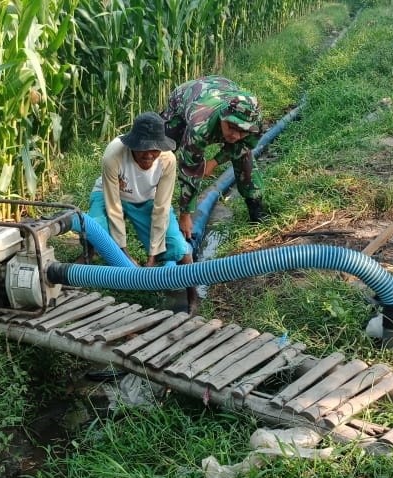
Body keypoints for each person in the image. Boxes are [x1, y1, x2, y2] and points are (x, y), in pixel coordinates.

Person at [82, 111, 198, 310]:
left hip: (147, 198)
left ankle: (193, 297)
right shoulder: (114, 155)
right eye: (143, 149)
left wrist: (153, 254)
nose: (149, 154)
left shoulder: (167, 160)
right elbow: (113, 205)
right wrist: (123, 252)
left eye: (155, 149)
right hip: (112, 194)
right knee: (96, 227)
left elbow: (162, 207)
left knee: (177, 246)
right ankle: (88, 255)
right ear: (132, 144)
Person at [161, 75, 265, 237]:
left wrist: (215, 162)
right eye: (231, 127)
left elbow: (244, 145)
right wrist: (185, 214)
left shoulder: (255, 122)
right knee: (162, 151)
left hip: (222, 84)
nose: (235, 135)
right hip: (185, 96)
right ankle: (145, 200)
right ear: (223, 116)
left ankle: (256, 210)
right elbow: (190, 168)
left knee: (245, 158)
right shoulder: (199, 126)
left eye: (243, 131)